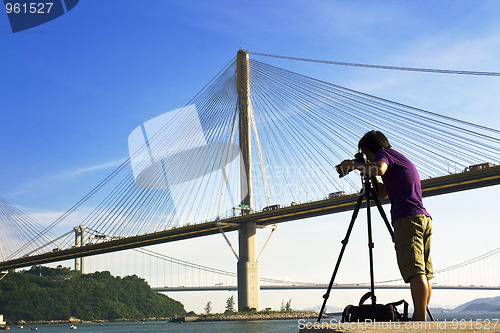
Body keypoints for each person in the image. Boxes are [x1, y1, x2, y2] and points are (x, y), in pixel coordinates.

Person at [340, 130, 433, 321]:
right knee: (423, 272)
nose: (367, 158)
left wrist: (354, 165)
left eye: (367, 155)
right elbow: (381, 192)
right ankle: (421, 316)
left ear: (372, 150)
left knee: (415, 271)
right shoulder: (399, 159)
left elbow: (380, 168)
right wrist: (367, 170)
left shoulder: (384, 154)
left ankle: (419, 319)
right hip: (422, 218)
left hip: (407, 219)